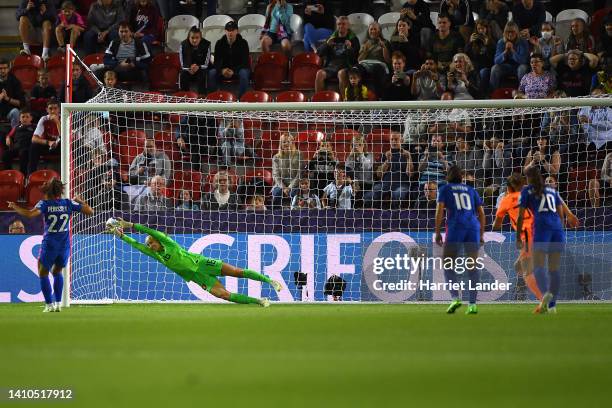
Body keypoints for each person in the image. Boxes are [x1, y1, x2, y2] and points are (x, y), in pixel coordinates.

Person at [106, 218, 282, 306]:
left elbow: (149, 230)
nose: (150, 245)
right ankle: (260, 301)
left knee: (237, 272)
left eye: (151, 242)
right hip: (197, 277)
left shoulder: (168, 243)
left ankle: (269, 281)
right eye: (149, 244)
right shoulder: (157, 256)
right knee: (223, 295)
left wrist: (129, 225)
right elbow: (137, 245)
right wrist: (121, 236)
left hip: (203, 263)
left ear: (158, 240)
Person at [8, 178, 94, 312]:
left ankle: (49, 305)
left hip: (50, 244)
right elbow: (90, 211)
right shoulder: (68, 203)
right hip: (64, 245)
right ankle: (59, 303)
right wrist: (80, 200)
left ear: (48, 190)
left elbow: (30, 214)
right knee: (57, 271)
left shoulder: (44, 204)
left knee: (43, 272)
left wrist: (15, 206)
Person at [517, 166, 579, 314]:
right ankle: (552, 306)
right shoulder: (552, 190)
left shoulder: (527, 191)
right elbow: (561, 212)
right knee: (554, 269)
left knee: (538, 266)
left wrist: (518, 236)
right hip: (557, 229)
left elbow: (520, 216)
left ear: (528, 178)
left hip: (541, 228)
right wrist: (561, 228)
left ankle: (545, 294)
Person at [434, 165, 486, 315]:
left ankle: (455, 298)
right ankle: (472, 304)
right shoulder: (471, 190)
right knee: (472, 266)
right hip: (473, 228)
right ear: (461, 177)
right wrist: (481, 234)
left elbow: (439, 211)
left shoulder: (445, 189)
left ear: (448, 177)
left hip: (456, 227)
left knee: (448, 262)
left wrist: (438, 233)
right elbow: (482, 214)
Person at [492, 173, 541, 301]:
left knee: (525, 267)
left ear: (508, 188)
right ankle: (522, 289)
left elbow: (497, 224)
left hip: (527, 234)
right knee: (518, 265)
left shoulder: (506, 200)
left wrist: (491, 229)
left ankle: (541, 296)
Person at [366, 131, 414, 209]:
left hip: (401, 184)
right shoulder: (385, 154)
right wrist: (387, 161)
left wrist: (409, 158)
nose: (394, 142)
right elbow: (379, 175)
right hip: (385, 184)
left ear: (401, 141)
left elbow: (410, 174)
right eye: (392, 139)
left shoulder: (407, 154)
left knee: (398, 195)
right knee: (368, 197)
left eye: (396, 139)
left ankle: (396, 217)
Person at [314, 16, 360, 93]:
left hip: (346, 66)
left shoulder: (353, 39)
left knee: (341, 73)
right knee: (319, 73)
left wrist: (349, 48)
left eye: (343, 24)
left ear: (348, 26)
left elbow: (356, 57)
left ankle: (344, 101)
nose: (341, 26)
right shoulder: (331, 37)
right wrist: (327, 45)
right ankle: (319, 101)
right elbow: (319, 53)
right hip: (331, 66)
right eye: (339, 24)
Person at [208, 21, 251, 97]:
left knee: (244, 73)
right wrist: (222, 70)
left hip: (239, 69)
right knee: (212, 73)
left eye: (232, 30)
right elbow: (216, 62)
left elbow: (245, 62)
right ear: (225, 31)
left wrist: (234, 71)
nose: (230, 33)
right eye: (228, 30)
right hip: (224, 70)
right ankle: (213, 97)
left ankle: (242, 99)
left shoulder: (243, 43)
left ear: (237, 31)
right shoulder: (219, 43)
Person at [490, 21, 529, 91]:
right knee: (495, 68)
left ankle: (522, 93)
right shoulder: (501, 42)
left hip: (519, 66)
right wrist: (505, 52)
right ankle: (493, 93)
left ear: (517, 32)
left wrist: (512, 51)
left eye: (512, 32)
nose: (510, 34)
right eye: (508, 32)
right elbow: (496, 61)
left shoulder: (523, 41)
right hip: (506, 66)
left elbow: (523, 61)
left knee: (522, 68)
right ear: (505, 32)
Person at [357, 21, 391, 94]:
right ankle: (359, 94)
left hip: (379, 66)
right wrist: (366, 50)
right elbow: (359, 60)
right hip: (366, 65)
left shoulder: (385, 42)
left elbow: (388, 60)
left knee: (376, 68)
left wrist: (384, 48)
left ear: (379, 31)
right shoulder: (365, 43)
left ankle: (378, 96)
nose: (373, 31)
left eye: (375, 29)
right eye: (371, 29)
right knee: (356, 69)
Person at [28, 99, 60, 175]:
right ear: (47, 110)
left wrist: (57, 122)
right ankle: (31, 175)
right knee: (34, 146)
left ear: (59, 109)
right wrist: (48, 142)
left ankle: (70, 175)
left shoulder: (65, 117)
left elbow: (64, 137)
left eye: (55, 108)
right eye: (50, 108)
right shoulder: (44, 119)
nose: (52, 111)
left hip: (60, 146)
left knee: (67, 145)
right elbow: (34, 139)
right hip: (48, 146)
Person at [271, 133, 302, 207]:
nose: (286, 144)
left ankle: (294, 213)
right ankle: (276, 214)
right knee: (277, 193)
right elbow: (275, 175)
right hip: (281, 183)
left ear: (292, 143)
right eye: (284, 142)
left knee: (293, 193)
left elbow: (299, 174)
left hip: (295, 183)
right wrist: (284, 187)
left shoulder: (299, 154)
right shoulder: (276, 157)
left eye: (288, 141)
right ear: (281, 144)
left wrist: (290, 187)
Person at [179, 26, 211, 95]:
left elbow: (206, 64)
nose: (194, 40)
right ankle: (184, 96)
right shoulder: (183, 45)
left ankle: (202, 96)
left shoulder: (207, 44)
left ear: (200, 38)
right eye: (192, 38)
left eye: (197, 38)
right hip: (188, 69)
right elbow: (182, 64)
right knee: (183, 74)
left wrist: (198, 67)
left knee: (202, 74)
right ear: (189, 37)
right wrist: (189, 68)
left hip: (201, 68)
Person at [465, 19, 495, 90]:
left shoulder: (492, 41)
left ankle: (483, 93)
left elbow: (492, 59)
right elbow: (466, 54)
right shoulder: (474, 41)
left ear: (486, 29)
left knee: (483, 72)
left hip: (486, 67)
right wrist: (470, 43)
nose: (481, 31)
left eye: (483, 28)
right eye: (479, 29)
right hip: (475, 66)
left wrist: (487, 45)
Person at [3, 109, 35, 175]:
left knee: (23, 154)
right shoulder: (16, 127)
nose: (25, 119)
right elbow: (9, 135)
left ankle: (23, 175)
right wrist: (8, 138)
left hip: (27, 149)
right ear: (20, 118)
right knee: (5, 154)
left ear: (31, 118)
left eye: (27, 117)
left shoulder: (35, 127)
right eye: (23, 117)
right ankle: (9, 174)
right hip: (16, 148)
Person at [0, 58, 25, 129]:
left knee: (15, 112)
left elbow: (21, 103)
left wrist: (7, 98)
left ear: (8, 69)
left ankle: (14, 135)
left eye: (4, 68)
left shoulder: (15, 82)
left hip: (9, 111)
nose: (2, 70)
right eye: (0, 68)